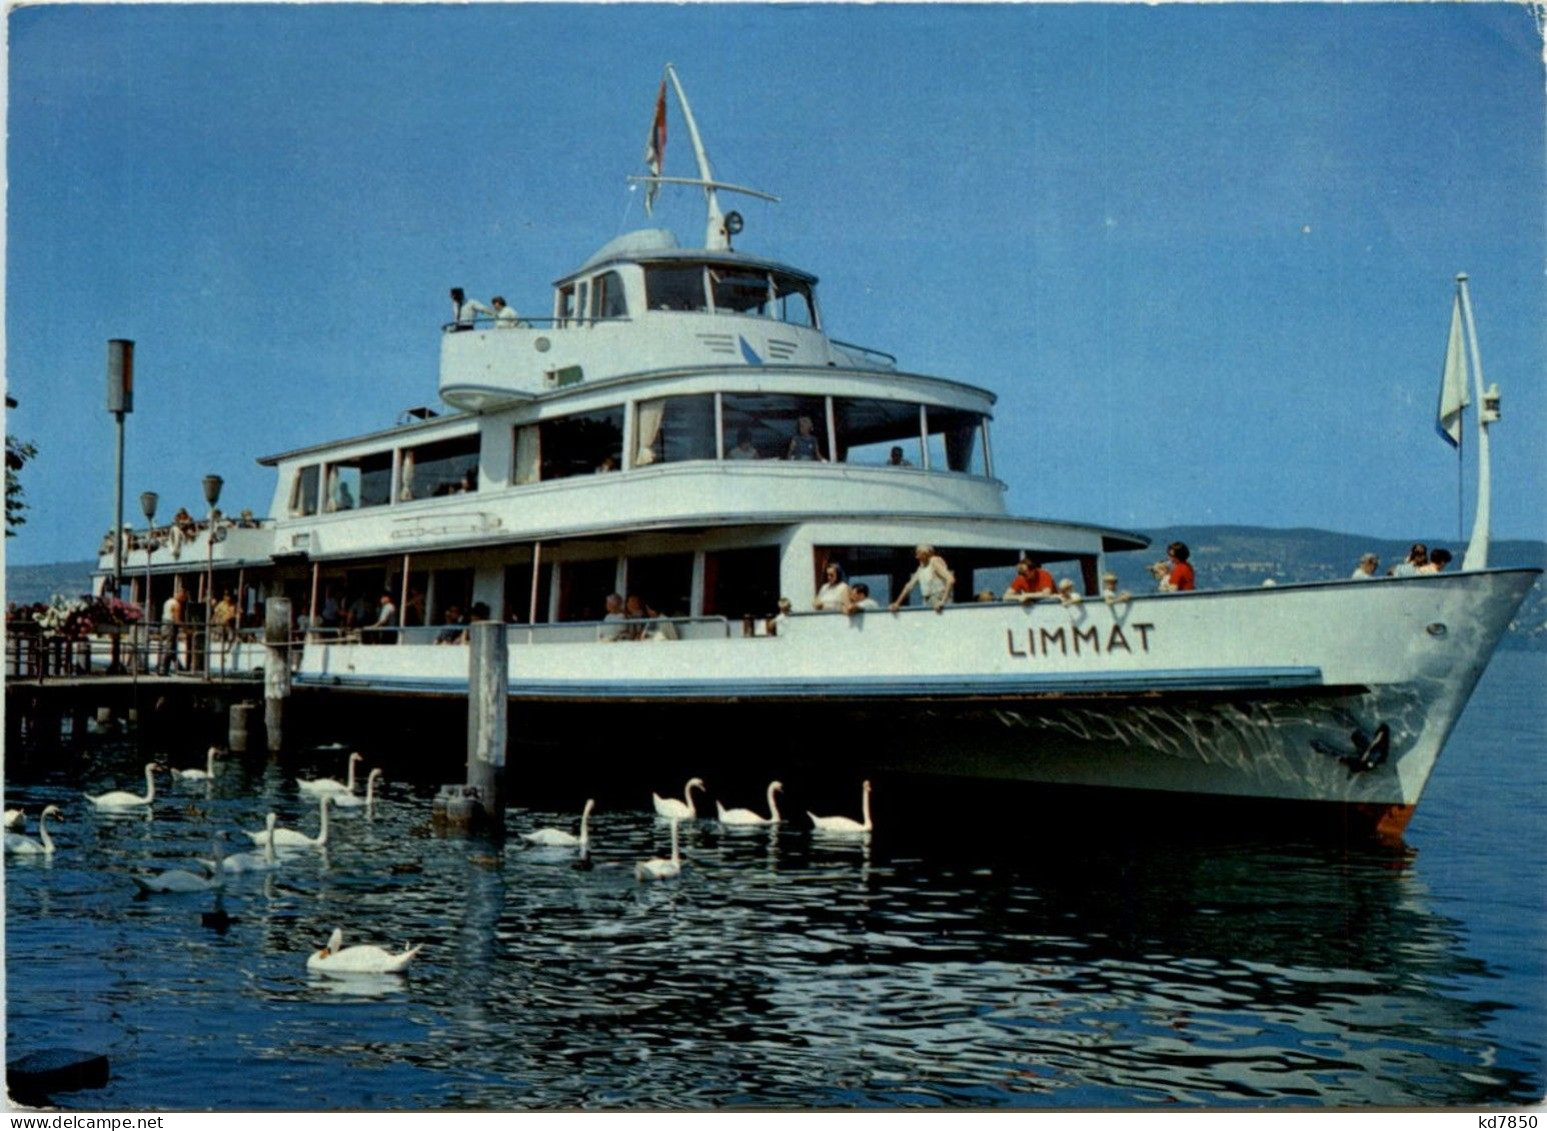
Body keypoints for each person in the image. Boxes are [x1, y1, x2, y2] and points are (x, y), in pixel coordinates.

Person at [890, 544, 954, 614]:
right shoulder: (921, 567)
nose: (916, 557)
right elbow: (909, 586)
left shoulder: (934, 562)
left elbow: (950, 579)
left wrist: (942, 602)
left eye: (918, 553)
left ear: (926, 554)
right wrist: (897, 603)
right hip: (927, 601)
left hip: (938, 599)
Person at [158, 587, 187, 675]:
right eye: (183, 596)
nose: (183, 599)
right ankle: (162, 669)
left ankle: (179, 667)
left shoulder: (168, 601)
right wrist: (185, 628)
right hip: (170, 627)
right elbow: (176, 619)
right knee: (168, 647)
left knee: (171, 648)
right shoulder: (176, 604)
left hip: (164, 625)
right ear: (179, 594)